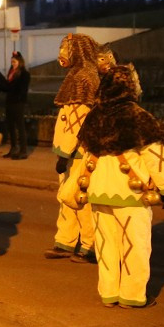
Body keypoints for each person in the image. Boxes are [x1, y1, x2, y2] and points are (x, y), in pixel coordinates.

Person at [67, 64, 164, 308]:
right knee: (135, 245)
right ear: (130, 86)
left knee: (106, 244)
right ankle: (133, 295)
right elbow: (154, 155)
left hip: (97, 191)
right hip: (131, 191)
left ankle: (109, 293)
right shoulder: (137, 115)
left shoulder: (94, 116)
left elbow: (84, 154)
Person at [46, 34, 101, 262]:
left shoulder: (83, 78)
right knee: (66, 198)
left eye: (66, 48)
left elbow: (79, 119)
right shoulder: (76, 75)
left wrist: (66, 152)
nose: (62, 52)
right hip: (68, 153)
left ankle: (90, 245)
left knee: (80, 197)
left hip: (78, 153)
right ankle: (66, 241)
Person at [3, 51, 30, 159]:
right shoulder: (11, 73)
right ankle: (13, 148)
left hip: (18, 103)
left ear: (19, 62)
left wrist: (17, 97)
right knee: (11, 126)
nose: (13, 63)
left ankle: (23, 150)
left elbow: (23, 89)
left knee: (20, 126)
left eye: (14, 61)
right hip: (9, 102)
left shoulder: (24, 74)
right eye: (12, 62)